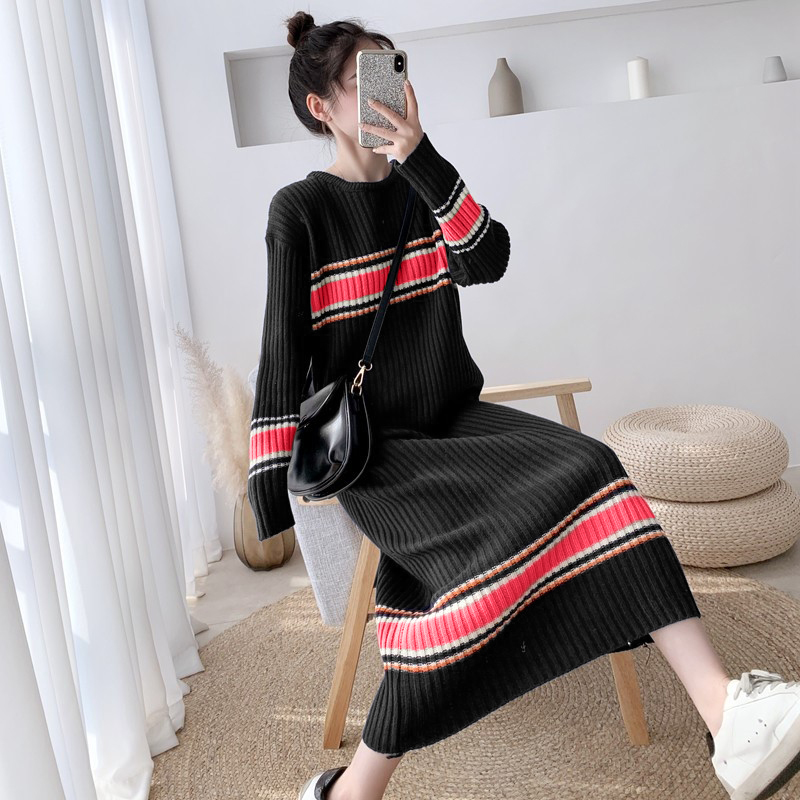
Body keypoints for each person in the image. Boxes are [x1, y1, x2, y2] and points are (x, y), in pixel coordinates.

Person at [247, 12, 800, 800]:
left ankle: (725, 715)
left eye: (392, 71)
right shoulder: (299, 211)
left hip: (460, 418)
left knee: (595, 467)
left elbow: (488, 258)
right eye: (362, 81)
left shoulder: (420, 182)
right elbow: (280, 357)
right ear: (321, 107)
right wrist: (272, 496)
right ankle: (353, 791)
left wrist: (421, 158)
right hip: (382, 451)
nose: (387, 93)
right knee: (472, 584)